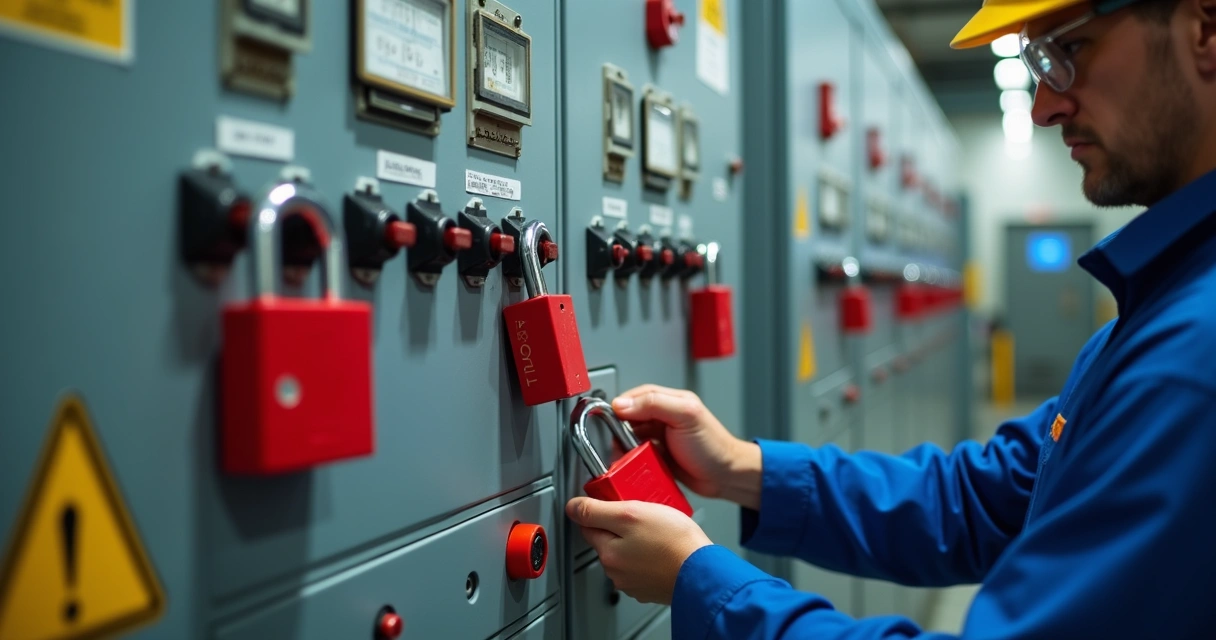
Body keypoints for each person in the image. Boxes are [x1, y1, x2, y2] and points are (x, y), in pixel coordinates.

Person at [565, 0, 1216, 636]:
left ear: (1205, 30)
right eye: (1038, 63)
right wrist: (742, 467)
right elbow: (984, 499)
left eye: (1069, 50)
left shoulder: (1190, 359)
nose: (1045, 105)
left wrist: (699, 583)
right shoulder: (1158, 313)